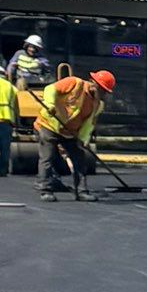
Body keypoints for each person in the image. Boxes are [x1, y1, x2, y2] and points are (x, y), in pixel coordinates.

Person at [36, 67, 111, 198]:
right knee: (47, 158)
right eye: (101, 89)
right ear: (93, 82)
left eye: (105, 91)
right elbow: (50, 89)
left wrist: (83, 139)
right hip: (50, 126)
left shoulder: (98, 104)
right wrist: (50, 105)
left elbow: (89, 124)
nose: (102, 93)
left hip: (70, 132)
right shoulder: (74, 83)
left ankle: (81, 191)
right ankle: (46, 190)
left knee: (79, 160)